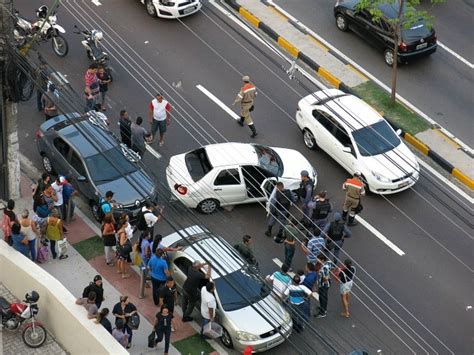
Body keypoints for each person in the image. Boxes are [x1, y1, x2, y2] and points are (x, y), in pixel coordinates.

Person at [315, 254, 333, 318]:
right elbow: (332, 267)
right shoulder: (328, 263)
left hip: (323, 285)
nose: (317, 260)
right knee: (323, 297)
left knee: (323, 298)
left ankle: (323, 312)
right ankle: (322, 308)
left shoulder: (324, 268)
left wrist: (320, 273)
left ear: (322, 260)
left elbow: (325, 278)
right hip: (326, 284)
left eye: (318, 259)